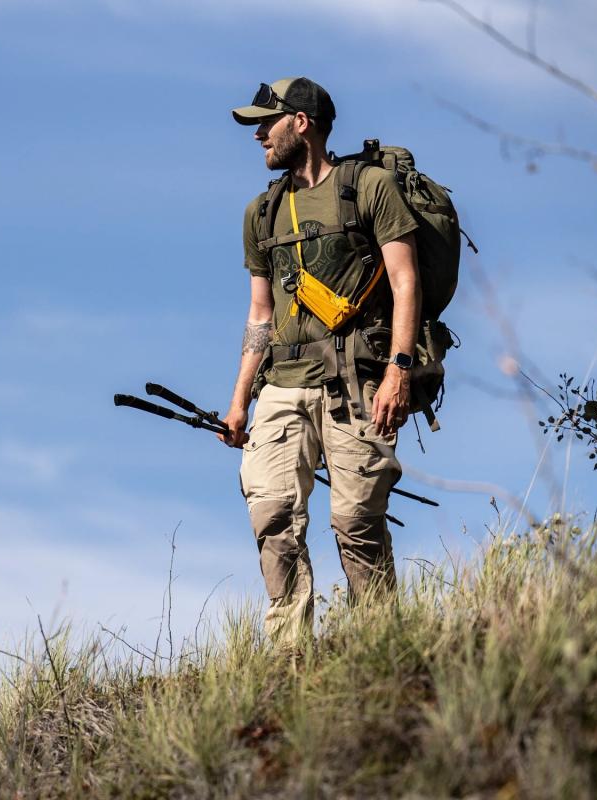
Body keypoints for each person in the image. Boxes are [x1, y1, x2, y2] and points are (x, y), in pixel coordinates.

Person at [219, 77, 422, 644]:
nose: (259, 134)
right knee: (271, 514)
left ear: (301, 123)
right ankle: (288, 655)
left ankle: (379, 644)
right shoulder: (262, 213)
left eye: (267, 122)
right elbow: (261, 314)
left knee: (356, 521)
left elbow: (405, 282)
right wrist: (239, 400)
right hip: (281, 386)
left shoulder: (370, 188)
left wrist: (398, 370)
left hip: (356, 382)